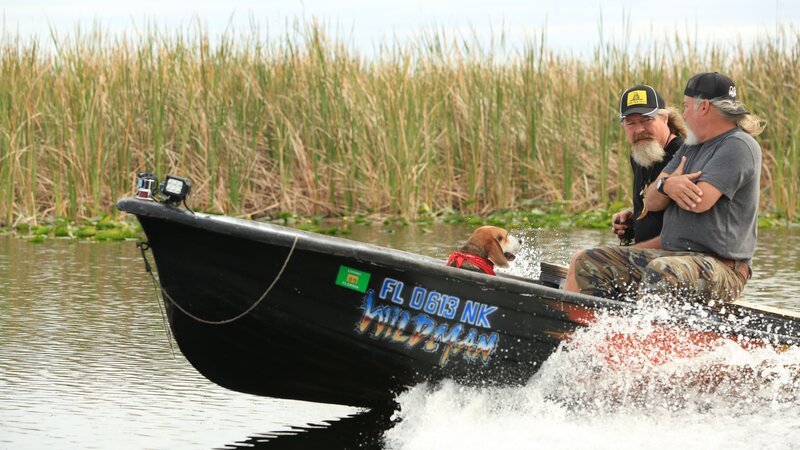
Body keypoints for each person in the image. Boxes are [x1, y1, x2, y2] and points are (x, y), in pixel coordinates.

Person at [564, 72, 765, 303]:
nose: (684, 114)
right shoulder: (692, 146)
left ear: (704, 107)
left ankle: (644, 335)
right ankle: (594, 329)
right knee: (588, 260)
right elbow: (652, 201)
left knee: (663, 270)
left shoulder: (738, 145)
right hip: (675, 257)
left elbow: (698, 202)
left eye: (686, 106)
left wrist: (668, 187)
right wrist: (667, 184)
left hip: (722, 268)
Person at [612, 85, 687, 247]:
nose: (639, 129)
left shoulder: (683, 155)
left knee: (584, 260)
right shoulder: (639, 153)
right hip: (645, 255)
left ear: (665, 118)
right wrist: (633, 218)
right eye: (630, 123)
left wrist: (633, 253)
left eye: (647, 120)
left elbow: (688, 224)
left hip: (673, 257)